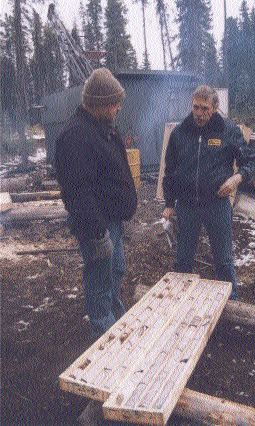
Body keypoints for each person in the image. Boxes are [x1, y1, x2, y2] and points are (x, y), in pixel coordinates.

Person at [55, 68, 137, 338]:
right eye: (115, 103)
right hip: (96, 225)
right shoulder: (76, 136)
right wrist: (98, 233)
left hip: (110, 220)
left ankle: (115, 320)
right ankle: (105, 335)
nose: (118, 108)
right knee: (100, 280)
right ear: (100, 104)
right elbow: (78, 192)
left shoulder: (103, 128)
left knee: (116, 270)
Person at [162, 85, 255, 299]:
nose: (199, 113)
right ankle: (177, 303)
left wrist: (236, 178)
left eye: (204, 108)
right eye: (196, 107)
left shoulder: (228, 130)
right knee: (183, 260)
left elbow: (250, 160)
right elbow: (170, 171)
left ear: (214, 108)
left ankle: (231, 305)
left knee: (223, 260)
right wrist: (169, 203)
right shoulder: (179, 133)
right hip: (186, 207)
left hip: (217, 205)